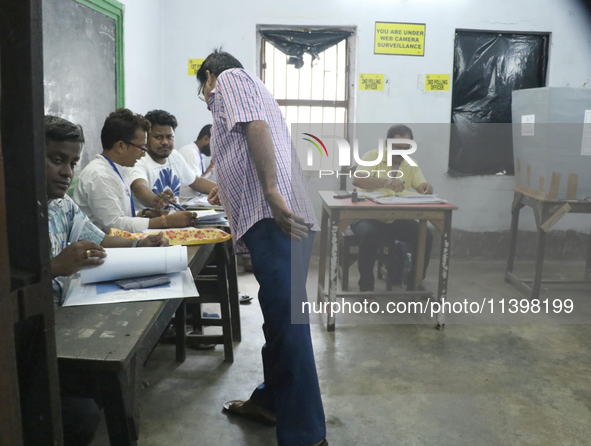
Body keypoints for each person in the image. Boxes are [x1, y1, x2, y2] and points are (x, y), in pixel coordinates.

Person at [197, 50, 327, 446]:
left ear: (207, 77)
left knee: (289, 325)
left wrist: (269, 191)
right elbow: (246, 146)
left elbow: (255, 128)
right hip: (273, 221)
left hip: (273, 220)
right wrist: (231, 188)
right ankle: (270, 402)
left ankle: (307, 436)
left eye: (202, 91)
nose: (205, 98)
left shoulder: (229, 80)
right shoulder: (252, 87)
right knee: (278, 321)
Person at [44, 115, 168, 445]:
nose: (67, 172)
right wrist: (56, 266)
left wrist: (138, 243)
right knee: (85, 411)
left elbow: (98, 238)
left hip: (67, 313)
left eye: (72, 162)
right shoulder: (13, 213)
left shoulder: (62, 205)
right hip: (37, 331)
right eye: (56, 160)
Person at [73, 109, 198, 233]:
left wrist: (148, 213)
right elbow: (115, 225)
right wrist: (166, 221)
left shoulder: (118, 169)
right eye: (142, 148)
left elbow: (123, 216)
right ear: (121, 146)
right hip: (104, 248)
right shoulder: (100, 176)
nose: (143, 155)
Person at [351, 124, 434, 292]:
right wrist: (384, 182)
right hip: (366, 216)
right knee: (369, 235)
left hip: (396, 218)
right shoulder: (372, 156)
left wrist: (425, 187)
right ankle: (366, 289)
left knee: (426, 235)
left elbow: (420, 186)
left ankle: (414, 284)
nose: (402, 152)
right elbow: (358, 179)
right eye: (397, 147)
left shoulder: (411, 163)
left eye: (406, 148)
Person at [129, 109, 215, 212]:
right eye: (158, 137)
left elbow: (196, 182)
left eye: (169, 137)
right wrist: (156, 200)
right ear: (146, 138)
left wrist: (224, 190)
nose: (165, 142)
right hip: (152, 224)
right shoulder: (139, 160)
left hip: (177, 220)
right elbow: (140, 187)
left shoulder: (174, 155)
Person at [178, 124, 215, 203]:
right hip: (187, 202)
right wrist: (211, 168)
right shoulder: (190, 152)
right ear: (206, 139)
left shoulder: (198, 153)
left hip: (194, 200)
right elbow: (196, 183)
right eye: (215, 144)